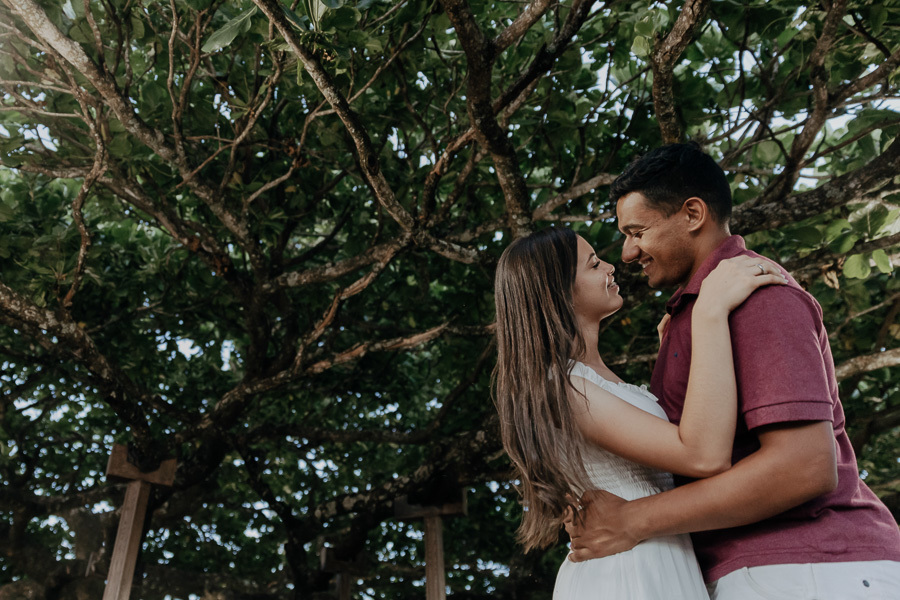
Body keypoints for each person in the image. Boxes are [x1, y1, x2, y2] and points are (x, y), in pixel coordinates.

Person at [565, 142, 900, 599]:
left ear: (693, 214)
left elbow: (803, 466)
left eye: (637, 231)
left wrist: (631, 519)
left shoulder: (757, 294)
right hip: (761, 572)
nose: (627, 253)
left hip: (808, 565)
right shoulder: (699, 317)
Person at [493, 225, 786, 599]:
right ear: (558, 292)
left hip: (653, 558)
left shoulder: (592, 380)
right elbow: (701, 454)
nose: (611, 267)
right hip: (625, 571)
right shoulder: (562, 385)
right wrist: (710, 313)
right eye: (594, 264)